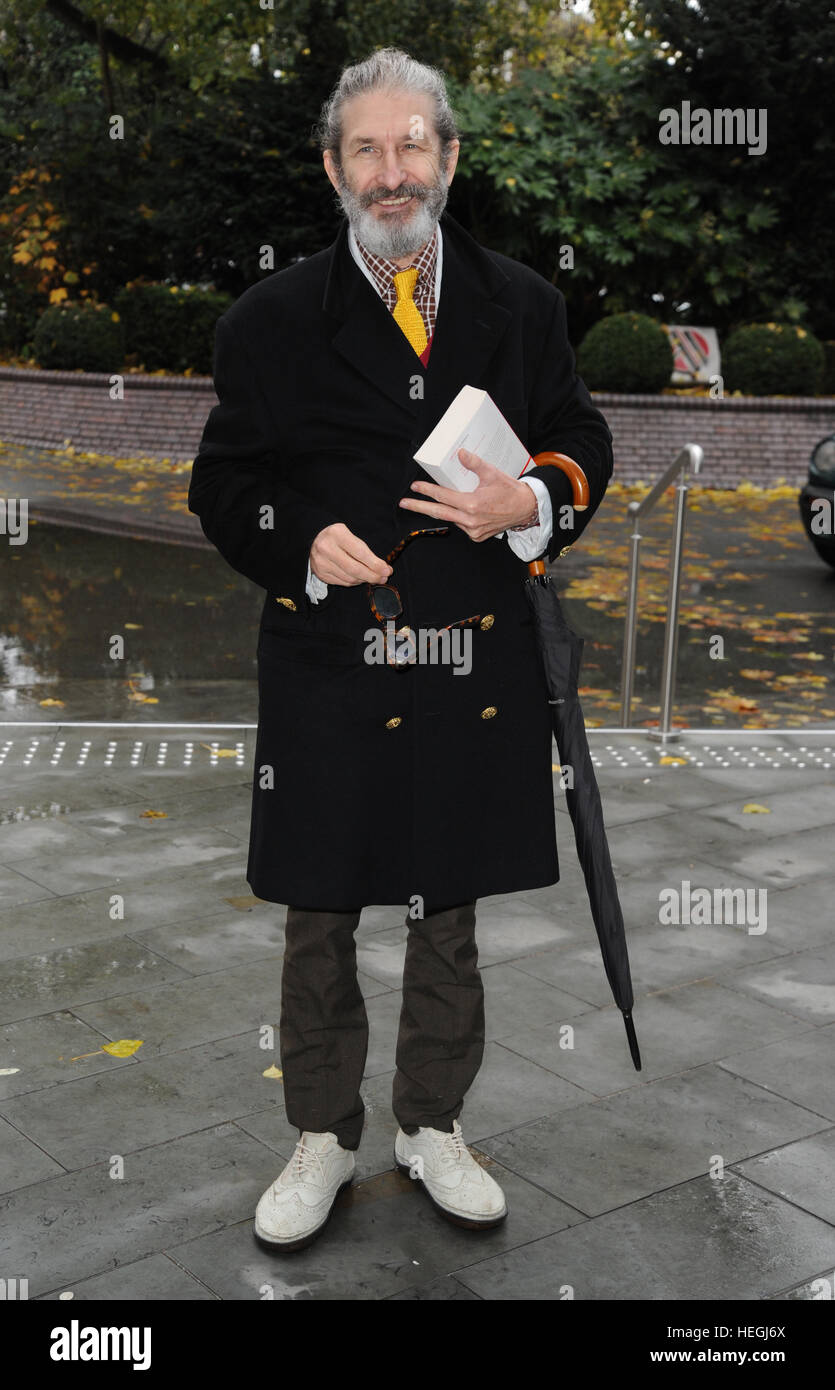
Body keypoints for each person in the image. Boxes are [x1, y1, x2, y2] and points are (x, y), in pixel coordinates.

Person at [188, 46, 613, 1253]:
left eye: (411, 144)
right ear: (333, 168)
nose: (391, 171)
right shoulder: (268, 321)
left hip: (469, 664)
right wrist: (301, 542)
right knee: (318, 909)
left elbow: (582, 437)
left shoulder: (521, 303)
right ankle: (322, 1134)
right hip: (332, 662)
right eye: (366, 149)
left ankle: (432, 1122)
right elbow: (224, 485)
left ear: (448, 157)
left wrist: (525, 499)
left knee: (448, 904)